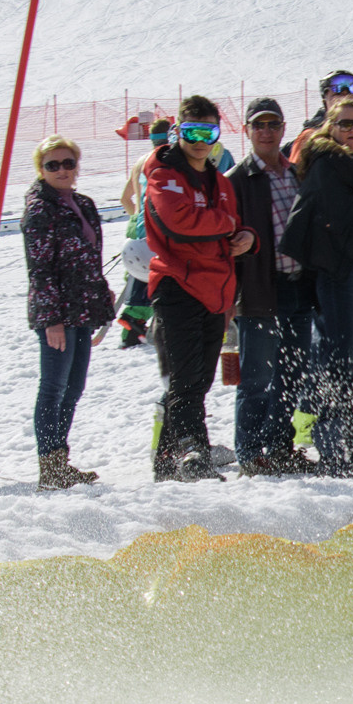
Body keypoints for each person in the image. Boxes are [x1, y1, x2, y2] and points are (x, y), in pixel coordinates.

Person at [281, 99, 353, 476]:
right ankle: (333, 450)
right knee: (340, 361)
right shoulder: (328, 164)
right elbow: (339, 223)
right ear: (330, 126)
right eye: (346, 123)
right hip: (341, 272)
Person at [145, 95, 253, 483]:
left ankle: (167, 460)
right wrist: (225, 225)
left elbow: (234, 225)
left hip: (216, 288)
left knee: (200, 379)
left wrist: (245, 236)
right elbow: (179, 223)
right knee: (186, 377)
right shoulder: (163, 175)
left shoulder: (220, 181)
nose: (199, 140)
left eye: (207, 131)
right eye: (191, 131)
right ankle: (193, 450)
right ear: (178, 132)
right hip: (178, 284)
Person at [226, 97, 314, 476]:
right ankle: (249, 452)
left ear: (282, 129)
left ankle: (279, 445)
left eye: (273, 124)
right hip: (261, 287)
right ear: (247, 130)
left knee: (292, 372)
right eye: (258, 125)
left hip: (298, 285)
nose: (266, 131)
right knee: (258, 376)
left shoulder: (297, 173)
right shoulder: (236, 181)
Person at [23, 134, 114, 489]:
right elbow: (40, 268)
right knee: (54, 387)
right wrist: (52, 319)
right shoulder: (39, 209)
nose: (62, 170)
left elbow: (91, 258)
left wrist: (100, 295)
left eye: (68, 163)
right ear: (41, 170)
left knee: (74, 387)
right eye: (52, 165)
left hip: (82, 307)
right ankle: (49, 464)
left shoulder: (84, 204)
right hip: (56, 313)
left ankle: (61, 459)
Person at [115, 117, 171, 349]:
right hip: (154, 230)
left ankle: (133, 326)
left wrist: (136, 218)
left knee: (141, 281)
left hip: (137, 226)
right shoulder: (166, 162)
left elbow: (125, 198)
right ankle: (136, 321)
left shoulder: (141, 162)